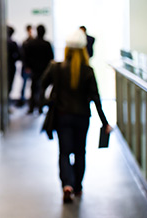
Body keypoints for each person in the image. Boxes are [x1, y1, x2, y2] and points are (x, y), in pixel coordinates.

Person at [40, 29, 112, 204]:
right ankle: (78, 186)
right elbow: (96, 98)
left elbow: (41, 85)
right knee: (80, 152)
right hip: (82, 117)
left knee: (64, 153)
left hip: (62, 116)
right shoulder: (87, 70)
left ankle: (67, 185)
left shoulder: (55, 67)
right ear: (83, 50)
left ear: (67, 49)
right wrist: (105, 122)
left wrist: (48, 101)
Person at [24, 24, 54, 114]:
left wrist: (28, 67)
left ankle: (32, 107)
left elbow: (26, 56)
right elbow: (51, 58)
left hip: (34, 70)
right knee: (42, 89)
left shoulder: (31, 43)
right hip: (44, 70)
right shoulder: (46, 44)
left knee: (33, 88)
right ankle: (40, 107)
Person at [17, 24, 34, 107]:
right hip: (26, 67)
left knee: (33, 85)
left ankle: (33, 101)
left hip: (33, 67)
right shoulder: (25, 42)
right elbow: (23, 56)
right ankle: (22, 100)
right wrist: (27, 66)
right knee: (24, 84)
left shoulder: (33, 41)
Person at [7, 26, 20, 99]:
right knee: (9, 86)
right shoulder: (13, 43)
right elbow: (18, 56)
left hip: (6, 68)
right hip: (11, 67)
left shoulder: (1, 43)